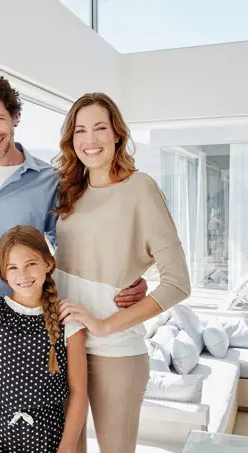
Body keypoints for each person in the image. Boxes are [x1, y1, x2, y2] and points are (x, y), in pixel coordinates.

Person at [0, 75, 148, 453]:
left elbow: (77, 246)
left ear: (15, 117)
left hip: (40, 344)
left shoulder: (52, 180)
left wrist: (128, 279)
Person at [53, 93, 191, 453]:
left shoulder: (140, 188)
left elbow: (178, 282)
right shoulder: (69, 191)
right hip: (65, 347)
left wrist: (104, 325)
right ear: (71, 140)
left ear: (117, 134)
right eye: (80, 130)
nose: (90, 139)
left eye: (100, 128)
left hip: (115, 352)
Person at [0, 226, 87, 453]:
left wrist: (67, 448)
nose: (22, 276)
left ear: (48, 264)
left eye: (31, 264)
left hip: (49, 441)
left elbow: (79, 390)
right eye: (12, 267)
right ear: (3, 273)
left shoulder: (68, 321)